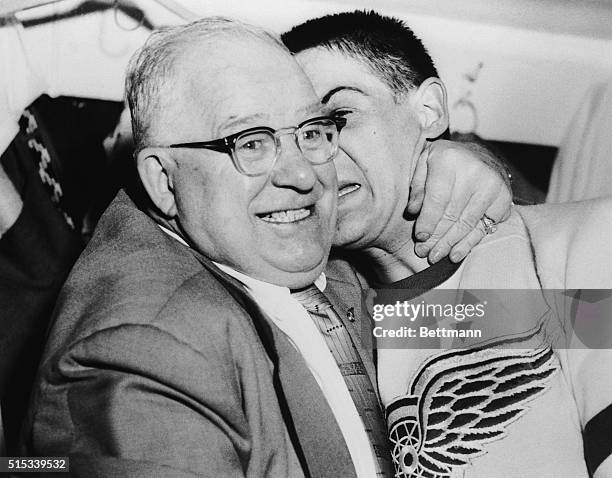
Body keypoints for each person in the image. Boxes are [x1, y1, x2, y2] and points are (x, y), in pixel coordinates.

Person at [19, 17, 508, 477]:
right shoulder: (144, 349)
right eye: (249, 142)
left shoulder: (319, 268)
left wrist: (469, 164)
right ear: (163, 181)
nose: (304, 175)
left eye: (316, 131)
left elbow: (542, 323)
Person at [282, 10, 612, 478]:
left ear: (429, 111)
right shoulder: (330, 315)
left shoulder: (582, 244)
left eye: (338, 117)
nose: (316, 158)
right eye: (301, 137)